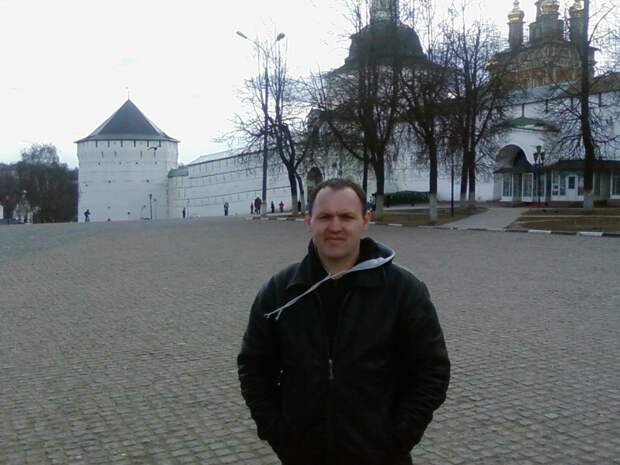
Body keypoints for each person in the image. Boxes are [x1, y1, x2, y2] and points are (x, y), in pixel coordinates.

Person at [238, 178, 450, 465]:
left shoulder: (403, 291)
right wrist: (277, 432)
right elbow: (253, 366)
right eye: (325, 216)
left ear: (365, 221)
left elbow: (432, 369)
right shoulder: (280, 292)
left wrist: (398, 438)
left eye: (346, 217)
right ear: (308, 221)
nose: (335, 226)